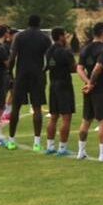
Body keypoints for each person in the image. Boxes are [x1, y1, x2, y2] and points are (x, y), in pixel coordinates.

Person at [6, 15, 53, 152]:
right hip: (37, 75)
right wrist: (44, 70)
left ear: (28, 23)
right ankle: (36, 142)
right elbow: (50, 57)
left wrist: (9, 73)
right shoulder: (44, 38)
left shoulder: (19, 37)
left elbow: (12, 57)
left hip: (21, 74)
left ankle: (11, 140)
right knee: (37, 108)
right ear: (39, 23)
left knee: (16, 107)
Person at [77, 22, 103, 162]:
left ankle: (81, 151)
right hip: (100, 89)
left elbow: (79, 68)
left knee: (86, 120)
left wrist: (87, 83)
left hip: (88, 89)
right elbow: (98, 67)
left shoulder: (85, 49)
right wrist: (92, 83)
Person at [44, 28, 76, 156]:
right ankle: (62, 148)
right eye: (65, 35)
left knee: (53, 117)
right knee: (66, 117)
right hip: (64, 85)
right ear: (61, 36)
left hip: (53, 84)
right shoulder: (65, 51)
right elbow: (73, 68)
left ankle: (50, 146)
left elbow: (47, 66)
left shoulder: (48, 51)